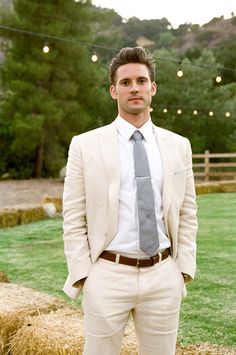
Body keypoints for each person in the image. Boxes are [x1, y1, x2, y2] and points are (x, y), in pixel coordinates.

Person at [62, 46, 198, 355]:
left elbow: (188, 211)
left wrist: (182, 269)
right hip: (107, 274)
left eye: (140, 80)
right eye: (125, 82)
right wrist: (85, 274)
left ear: (153, 87)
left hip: (163, 274)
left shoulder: (179, 146)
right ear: (114, 91)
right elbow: (72, 216)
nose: (133, 88)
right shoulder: (85, 145)